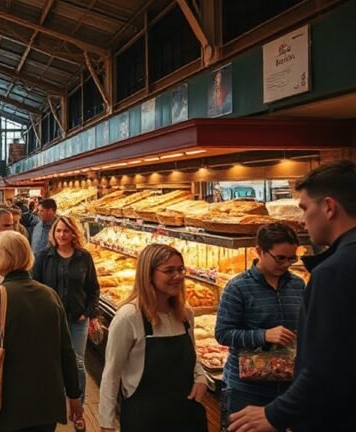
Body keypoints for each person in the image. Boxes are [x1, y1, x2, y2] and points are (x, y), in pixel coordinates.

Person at [229, 160, 356, 432]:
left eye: (305, 208)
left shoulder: (333, 272)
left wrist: (277, 414)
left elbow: (327, 365)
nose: (301, 220)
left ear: (329, 208)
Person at [0, 231, 83, 432]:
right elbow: (66, 351)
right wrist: (73, 396)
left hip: (7, 405)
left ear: (5, 257)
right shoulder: (49, 295)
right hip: (45, 404)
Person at [99, 243, 208, 432]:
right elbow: (111, 374)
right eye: (169, 270)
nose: (178, 276)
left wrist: (201, 377)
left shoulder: (185, 314)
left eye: (181, 269)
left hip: (186, 413)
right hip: (145, 418)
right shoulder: (129, 317)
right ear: (148, 274)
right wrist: (106, 424)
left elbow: (193, 352)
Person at [215, 223, 305, 425]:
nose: (286, 264)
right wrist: (263, 335)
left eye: (292, 258)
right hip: (247, 390)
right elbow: (223, 333)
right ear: (259, 251)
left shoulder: (298, 284)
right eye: (280, 258)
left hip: (287, 386)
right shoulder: (238, 287)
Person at [32, 215, 100, 425]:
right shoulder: (44, 256)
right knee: (51, 360)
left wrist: (88, 312)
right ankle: (53, 403)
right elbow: (35, 286)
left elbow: (93, 288)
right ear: (53, 233)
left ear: (73, 233)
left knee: (78, 362)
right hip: (51, 319)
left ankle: (78, 406)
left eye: (66, 231)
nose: (62, 235)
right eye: (58, 231)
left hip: (77, 319)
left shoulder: (84, 257)